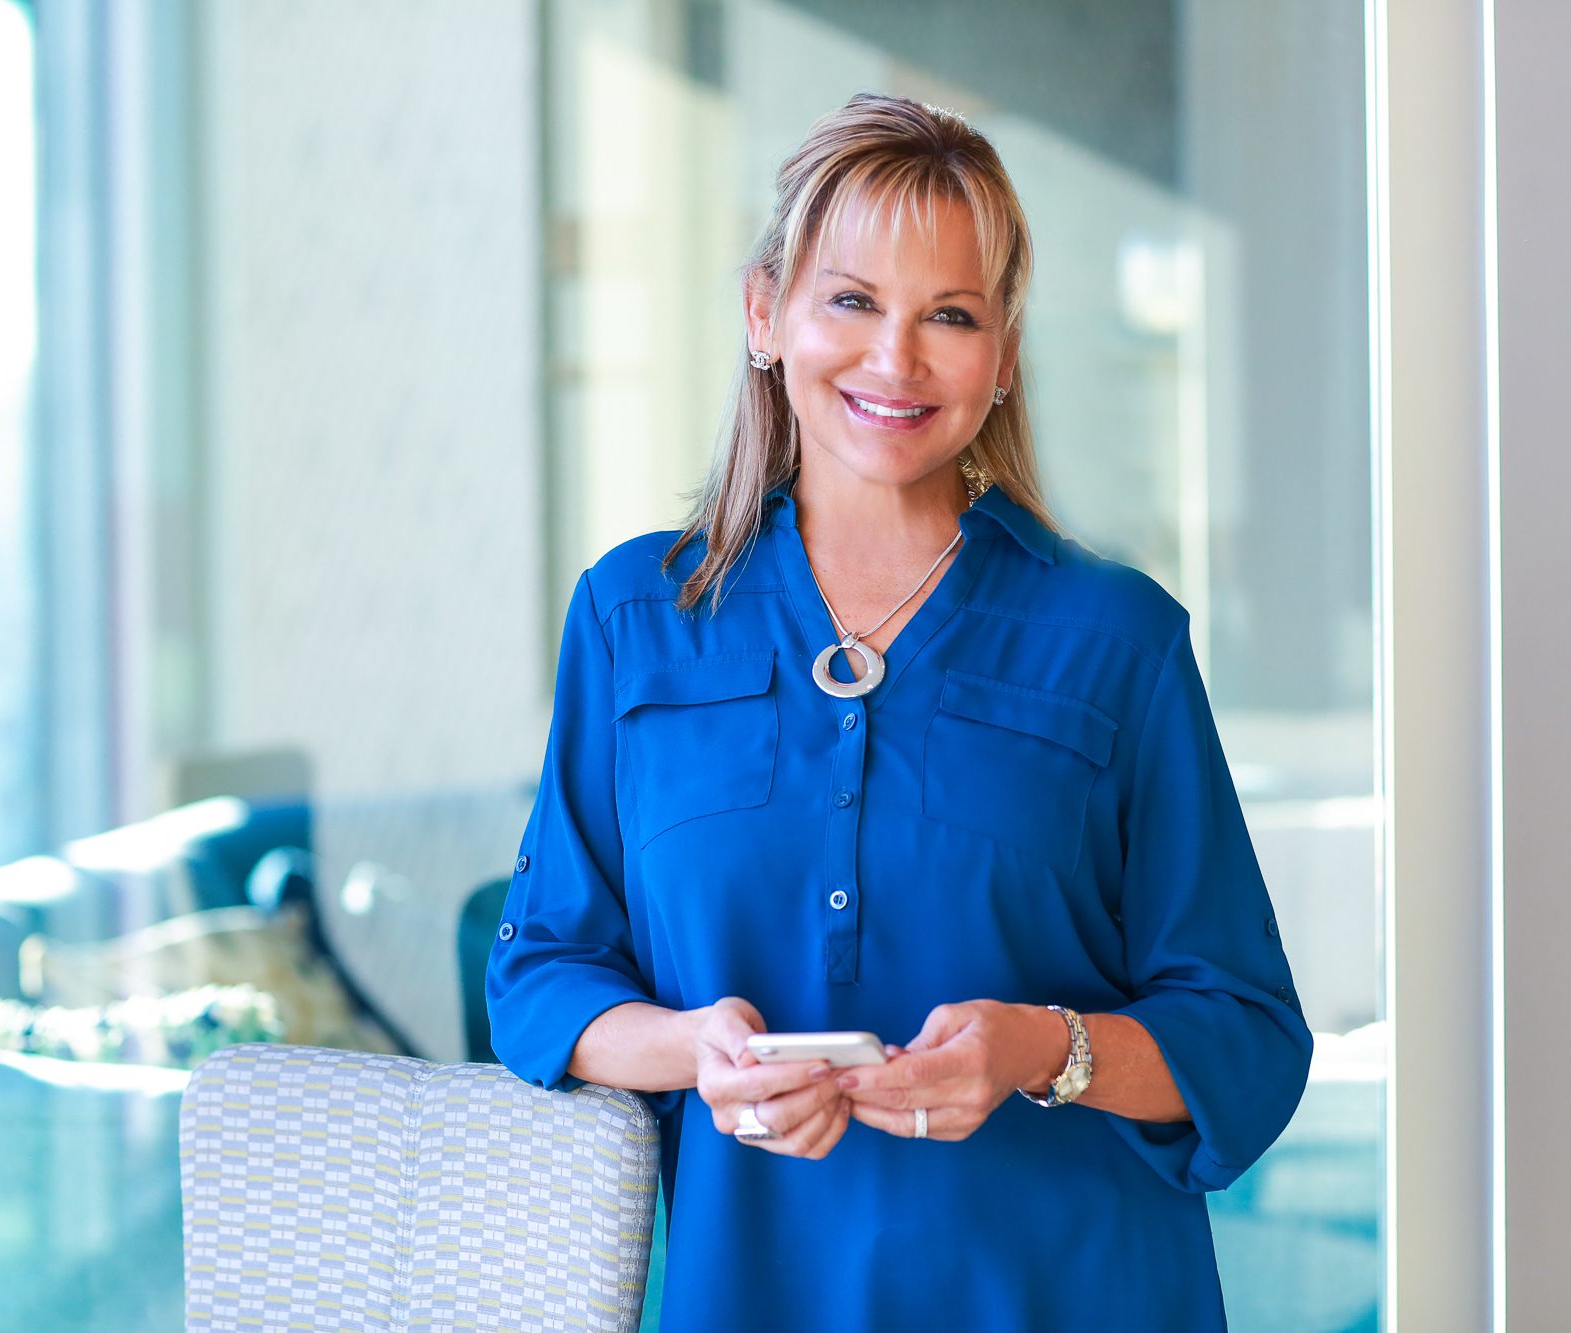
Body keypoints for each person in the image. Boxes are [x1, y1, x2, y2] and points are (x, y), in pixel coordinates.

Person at [487, 92, 1313, 1331]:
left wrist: (1041, 1049)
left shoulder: (1117, 638)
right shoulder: (632, 617)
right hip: (755, 1292)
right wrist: (694, 1049)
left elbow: (1244, 1035)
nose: (896, 360)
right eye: (852, 301)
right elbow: (541, 975)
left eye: (951, 315)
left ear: (1003, 352)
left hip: (1075, 1292)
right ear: (765, 314)